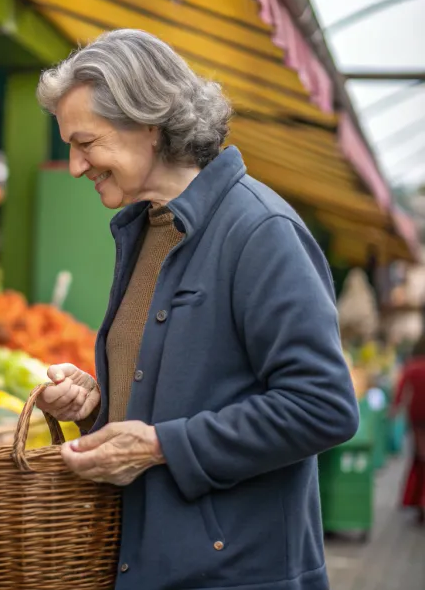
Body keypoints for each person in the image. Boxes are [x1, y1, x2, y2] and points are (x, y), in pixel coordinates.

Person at [34, 29, 359, 590]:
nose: (75, 165)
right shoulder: (150, 228)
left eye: (85, 143)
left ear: (149, 125)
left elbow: (323, 406)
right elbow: (185, 392)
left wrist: (161, 446)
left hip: (237, 573)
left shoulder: (261, 231)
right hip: (155, 563)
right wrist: (97, 407)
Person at [392, 334, 425, 524]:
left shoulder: (412, 366)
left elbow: (402, 390)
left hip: (417, 419)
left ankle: (418, 501)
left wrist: (394, 411)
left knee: (420, 458)